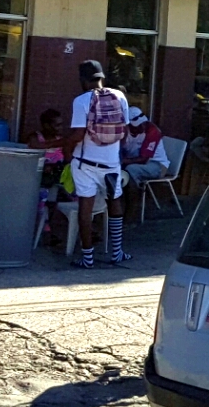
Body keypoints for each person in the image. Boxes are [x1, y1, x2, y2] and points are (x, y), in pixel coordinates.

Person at [64, 59, 132, 269]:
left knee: (86, 208)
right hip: (111, 164)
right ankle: (117, 252)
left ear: (83, 80)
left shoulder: (81, 101)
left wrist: (64, 147)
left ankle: (88, 258)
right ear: (102, 77)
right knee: (115, 202)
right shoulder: (120, 96)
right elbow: (125, 132)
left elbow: (78, 135)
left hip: (85, 163)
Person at [121, 107, 171, 188]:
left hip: (157, 165)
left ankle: (135, 194)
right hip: (134, 161)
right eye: (138, 125)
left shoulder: (152, 131)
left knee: (131, 169)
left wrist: (122, 161)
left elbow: (143, 159)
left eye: (143, 123)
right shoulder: (124, 131)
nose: (142, 127)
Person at [25, 108, 67, 189]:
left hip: (57, 181)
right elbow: (34, 149)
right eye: (57, 125)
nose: (61, 128)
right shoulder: (34, 138)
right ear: (46, 125)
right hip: (36, 180)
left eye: (61, 125)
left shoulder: (61, 139)